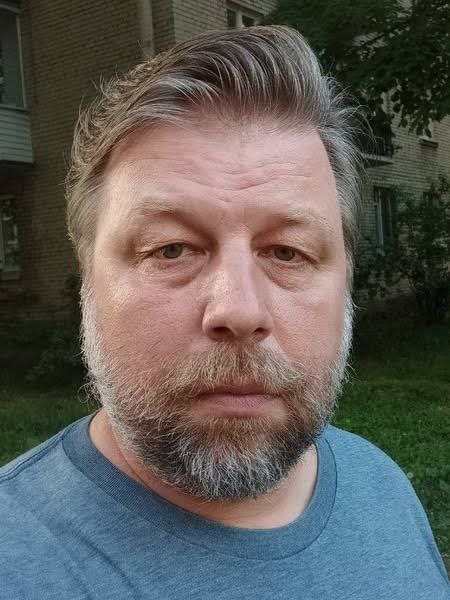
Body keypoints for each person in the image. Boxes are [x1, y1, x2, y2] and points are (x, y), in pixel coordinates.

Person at [0, 25, 448, 599]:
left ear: (345, 283)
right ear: (89, 280)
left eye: (287, 252)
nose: (239, 310)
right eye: (171, 249)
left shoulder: (380, 484)